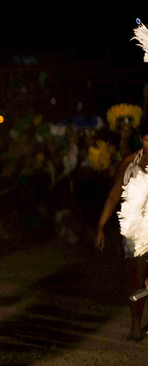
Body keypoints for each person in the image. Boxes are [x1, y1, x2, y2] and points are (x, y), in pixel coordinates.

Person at [95, 117, 148, 341]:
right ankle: (135, 327)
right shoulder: (129, 162)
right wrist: (101, 225)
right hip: (135, 229)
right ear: (142, 139)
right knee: (138, 280)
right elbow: (114, 194)